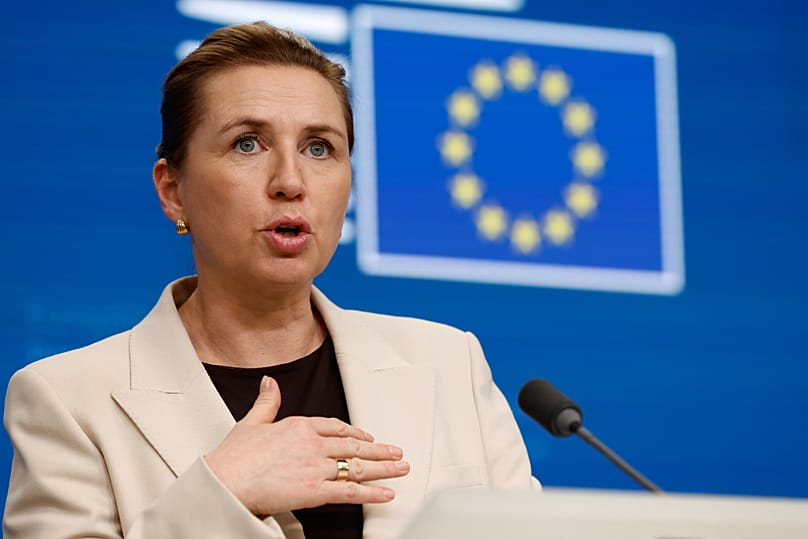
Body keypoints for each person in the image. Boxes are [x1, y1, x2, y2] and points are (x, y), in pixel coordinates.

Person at [3, 21, 538, 538]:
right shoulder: (68, 401)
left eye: (319, 148)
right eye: (247, 144)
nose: (290, 182)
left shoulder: (450, 364)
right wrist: (224, 492)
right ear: (173, 190)